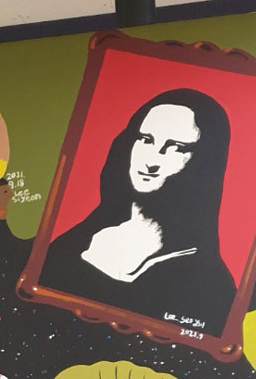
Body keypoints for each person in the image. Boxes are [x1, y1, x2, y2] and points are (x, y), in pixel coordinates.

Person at [41, 88, 235, 336]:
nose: (151, 161)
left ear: (203, 161)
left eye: (175, 148)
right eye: (145, 139)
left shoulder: (212, 284)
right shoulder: (76, 241)